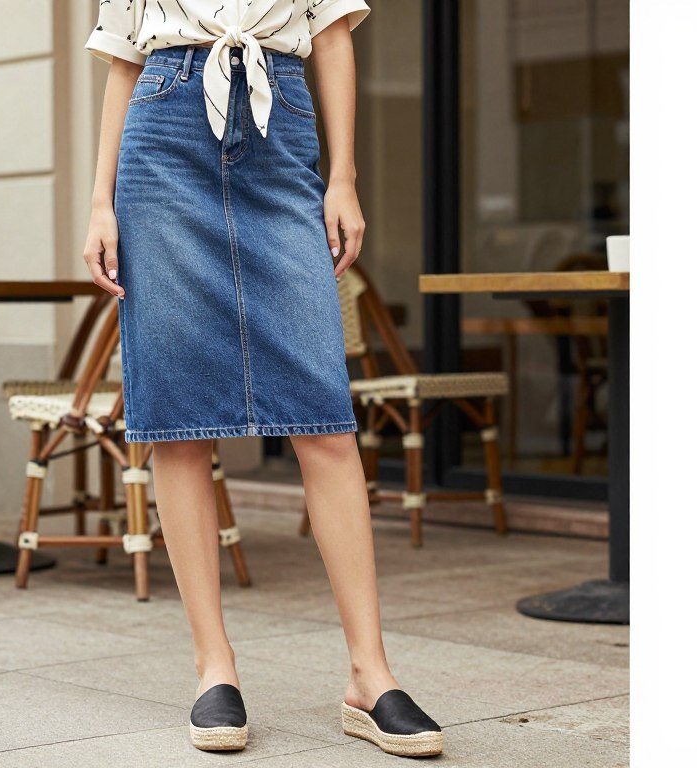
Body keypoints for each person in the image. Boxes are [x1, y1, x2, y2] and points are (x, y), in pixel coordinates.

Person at [83, 0, 442, 757]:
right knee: (180, 419)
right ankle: (214, 668)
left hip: (282, 126)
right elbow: (123, 60)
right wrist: (99, 203)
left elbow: (333, 36)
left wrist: (343, 178)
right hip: (161, 135)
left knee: (324, 417)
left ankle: (369, 675)